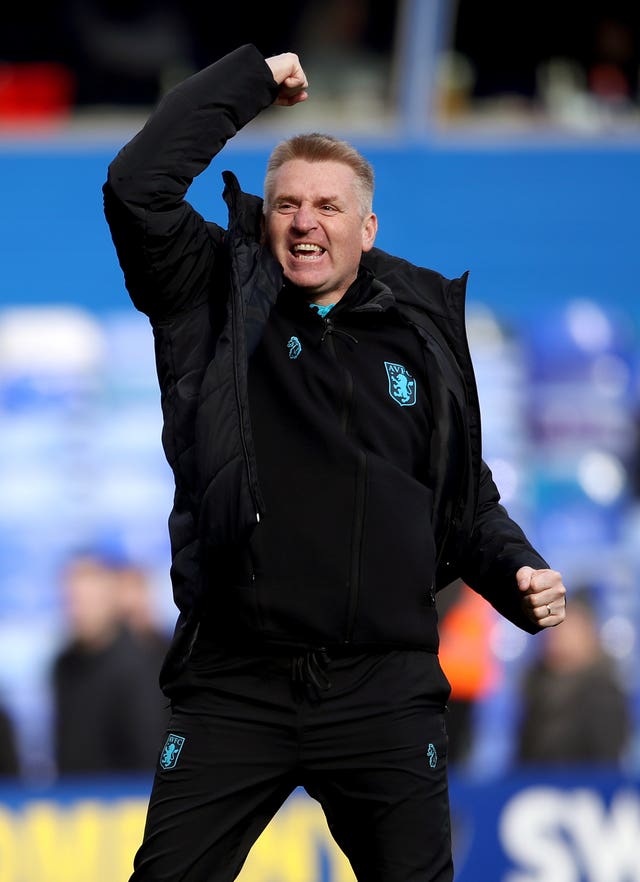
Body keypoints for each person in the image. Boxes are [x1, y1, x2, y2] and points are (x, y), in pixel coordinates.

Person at [103, 44, 567, 882]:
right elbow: (137, 185)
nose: (305, 221)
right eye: (285, 204)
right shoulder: (212, 294)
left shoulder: (421, 335)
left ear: (367, 226)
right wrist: (250, 81)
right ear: (263, 218)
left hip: (381, 690)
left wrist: (518, 572)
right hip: (235, 680)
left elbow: (463, 502)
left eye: (326, 205)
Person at [51, 551, 170, 775]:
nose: (79, 611)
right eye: (72, 601)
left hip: (126, 801)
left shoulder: (140, 664)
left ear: (109, 600)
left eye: (88, 600)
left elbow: (148, 751)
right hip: (72, 801)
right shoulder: (63, 665)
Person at [515, 587, 630, 766]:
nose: (558, 637)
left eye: (569, 629)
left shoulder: (604, 692)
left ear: (590, 636)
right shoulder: (534, 686)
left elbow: (606, 761)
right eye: (554, 629)